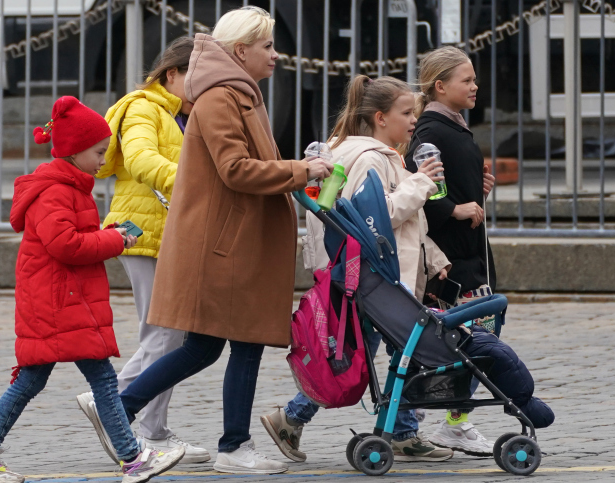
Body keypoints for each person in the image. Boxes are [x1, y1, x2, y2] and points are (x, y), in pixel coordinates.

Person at [80, 7, 333, 475]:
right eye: (267, 47)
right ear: (241, 51)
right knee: (243, 342)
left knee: (204, 347)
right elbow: (234, 169)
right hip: (228, 244)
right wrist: (300, 170)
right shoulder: (223, 97)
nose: (276, 56)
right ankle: (232, 446)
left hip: (230, 240)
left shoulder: (235, 94)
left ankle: (120, 407)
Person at [0, 96, 185, 483]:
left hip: (63, 301)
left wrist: (107, 235)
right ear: (75, 151)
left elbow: (72, 240)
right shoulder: (56, 191)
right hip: (59, 304)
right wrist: (115, 241)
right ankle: (131, 458)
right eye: (98, 151)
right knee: (99, 380)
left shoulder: (70, 186)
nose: (103, 159)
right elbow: (68, 246)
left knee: (35, 382)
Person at [261, 75, 455, 464]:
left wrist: (433, 256)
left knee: (390, 348)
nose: (413, 121)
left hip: (364, 275)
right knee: (359, 352)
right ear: (380, 117)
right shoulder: (371, 158)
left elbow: (395, 224)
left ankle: (401, 431)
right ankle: (294, 417)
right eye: (406, 113)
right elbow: (378, 218)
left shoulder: (348, 151)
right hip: (374, 277)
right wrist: (420, 182)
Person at [77, 36, 209, 464]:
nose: (205, 84)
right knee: (164, 334)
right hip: (142, 234)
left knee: (169, 335)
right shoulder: (144, 107)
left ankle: (147, 426)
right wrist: (192, 182)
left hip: (169, 234)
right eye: (197, 75)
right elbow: (138, 159)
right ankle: (118, 406)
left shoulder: (184, 113)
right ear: (171, 74)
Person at [403, 46, 500, 456]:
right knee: (476, 338)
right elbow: (419, 182)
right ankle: (448, 420)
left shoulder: (453, 126)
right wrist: (452, 208)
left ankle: (440, 419)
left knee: (478, 335)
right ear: (440, 86)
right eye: (467, 80)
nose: (475, 86)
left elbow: (445, 181)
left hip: (468, 248)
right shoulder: (431, 130)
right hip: (453, 257)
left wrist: (474, 191)